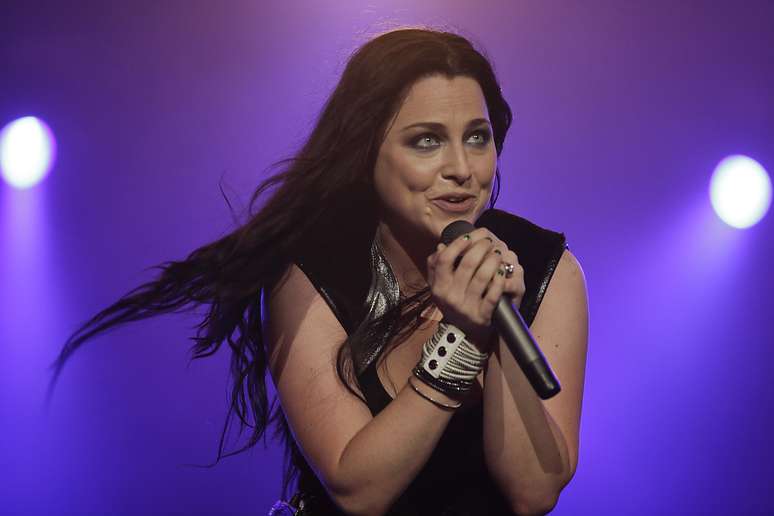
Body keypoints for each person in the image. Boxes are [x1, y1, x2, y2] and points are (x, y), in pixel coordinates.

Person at [49, 26, 588, 515]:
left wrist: (499, 324)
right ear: (366, 150)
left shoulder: (543, 269)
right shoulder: (312, 274)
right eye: (426, 140)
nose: (462, 169)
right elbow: (360, 489)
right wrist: (463, 338)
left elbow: (533, 493)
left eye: (477, 136)